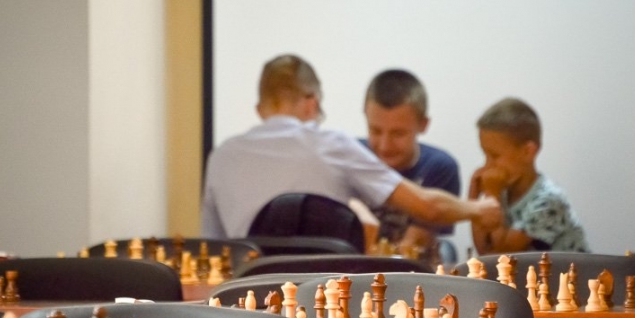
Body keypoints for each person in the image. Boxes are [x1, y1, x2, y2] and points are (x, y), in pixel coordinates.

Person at [201, 54, 501, 240]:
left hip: (248, 296)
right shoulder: (330, 144)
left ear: (260, 109)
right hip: (326, 295)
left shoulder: (221, 156)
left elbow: (213, 244)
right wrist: (478, 209)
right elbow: (427, 207)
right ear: (312, 103)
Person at [468, 97, 589, 254]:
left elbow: (500, 256)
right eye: (485, 155)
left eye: (494, 156)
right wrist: (474, 200)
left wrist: (492, 196)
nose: (487, 165)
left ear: (527, 152)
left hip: (568, 271)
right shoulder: (503, 192)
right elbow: (484, 251)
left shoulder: (548, 200)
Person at [361, 69, 460, 250]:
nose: (384, 145)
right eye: (375, 131)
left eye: (398, 133)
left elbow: (412, 246)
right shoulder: (350, 158)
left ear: (423, 125)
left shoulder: (439, 167)